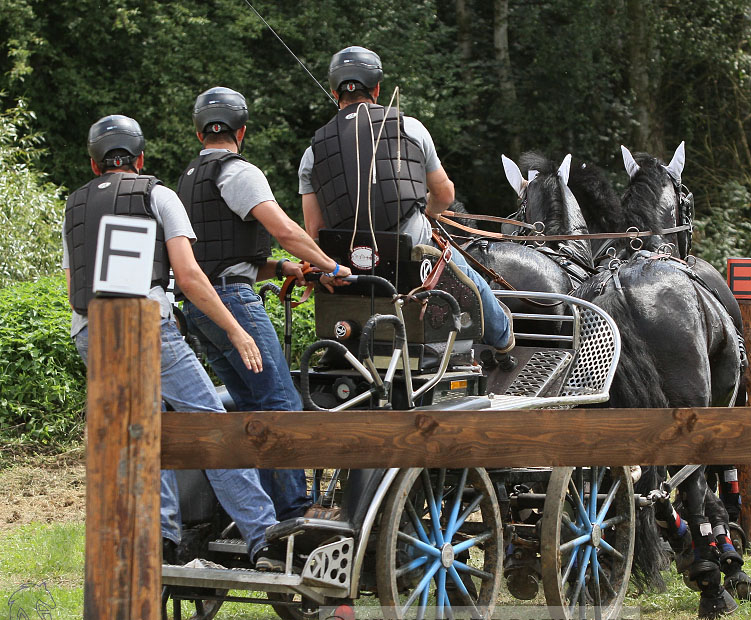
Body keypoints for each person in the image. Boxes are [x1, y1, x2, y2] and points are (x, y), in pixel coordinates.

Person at [63, 114, 287, 571]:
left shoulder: (73, 207)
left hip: (93, 332)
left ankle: (159, 542)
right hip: (147, 327)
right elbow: (188, 276)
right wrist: (235, 328)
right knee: (211, 430)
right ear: (141, 158)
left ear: (93, 165)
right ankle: (264, 538)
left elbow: (74, 285)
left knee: (142, 434)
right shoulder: (156, 194)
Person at [177, 87, 350, 520]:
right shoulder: (239, 172)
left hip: (202, 308)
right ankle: (296, 509)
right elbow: (287, 231)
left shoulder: (187, 181)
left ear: (200, 133)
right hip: (233, 303)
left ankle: (267, 509)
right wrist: (332, 267)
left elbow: (219, 259)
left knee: (252, 406)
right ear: (243, 131)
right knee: (281, 403)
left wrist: (281, 269)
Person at [298, 45, 514, 353]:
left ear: (335, 92)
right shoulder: (410, 128)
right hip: (411, 260)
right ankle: (503, 338)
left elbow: (315, 230)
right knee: (471, 281)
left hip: (350, 271)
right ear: (377, 88)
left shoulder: (312, 152)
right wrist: (428, 213)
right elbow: (445, 194)